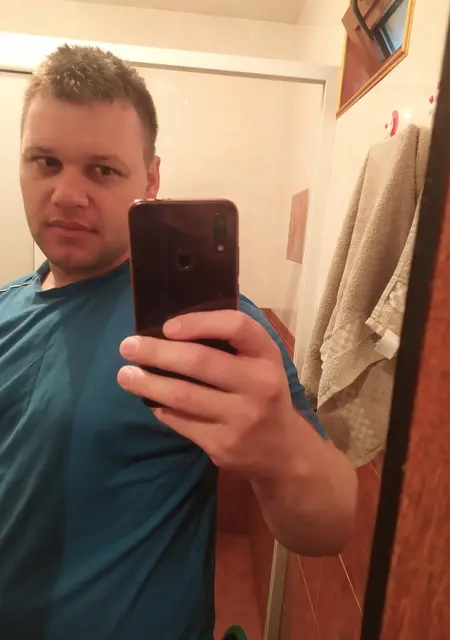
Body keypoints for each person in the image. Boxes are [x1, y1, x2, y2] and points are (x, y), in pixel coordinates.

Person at [0, 44, 357, 639]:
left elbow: (330, 526)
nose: (66, 193)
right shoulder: (5, 308)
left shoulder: (209, 325)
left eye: (102, 170)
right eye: (46, 161)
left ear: (151, 178)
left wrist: (281, 451)